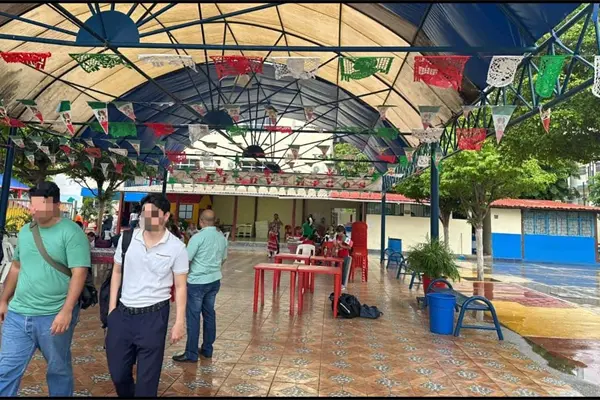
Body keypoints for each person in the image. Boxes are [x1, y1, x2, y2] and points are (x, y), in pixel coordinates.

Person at [0, 182, 91, 396]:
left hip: (53, 314)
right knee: (5, 370)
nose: (34, 210)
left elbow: (79, 273)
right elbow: (16, 267)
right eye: (32, 205)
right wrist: (4, 300)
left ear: (56, 205)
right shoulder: (26, 231)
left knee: (58, 370)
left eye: (40, 205)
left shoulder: (72, 233)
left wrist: (67, 310)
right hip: (18, 313)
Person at [106, 194, 188, 397]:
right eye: (145, 213)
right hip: (123, 314)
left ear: (166, 216)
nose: (147, 218)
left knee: (147, 380)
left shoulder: (177, 248)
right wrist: (111, 309)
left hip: (154, 316)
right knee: (118, 374)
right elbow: (117, 271)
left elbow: (180, 286)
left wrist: (179, 322)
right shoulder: (127, 239)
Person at [173, 210, 227, 363]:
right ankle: (207, 349)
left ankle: (191, 353)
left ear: (201, 221)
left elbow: (186, 259)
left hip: (197, 282)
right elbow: (223, 259)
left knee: (193, 317)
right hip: (214, 280)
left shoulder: (197, 238)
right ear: (214, 221)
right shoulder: (222, 237)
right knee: (209, 314)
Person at [335, 225, 352, 291]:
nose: (338, 233)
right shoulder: (337, 236)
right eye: (337, 232)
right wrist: (337, 247)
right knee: (337, 269)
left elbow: (349, 247)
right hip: (338, 255)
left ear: (342, 231)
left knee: (344, 271)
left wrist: (342, 246)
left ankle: (343, 284)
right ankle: (338, 282)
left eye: (339, 232)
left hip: (344, 256)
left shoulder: (346, 238)